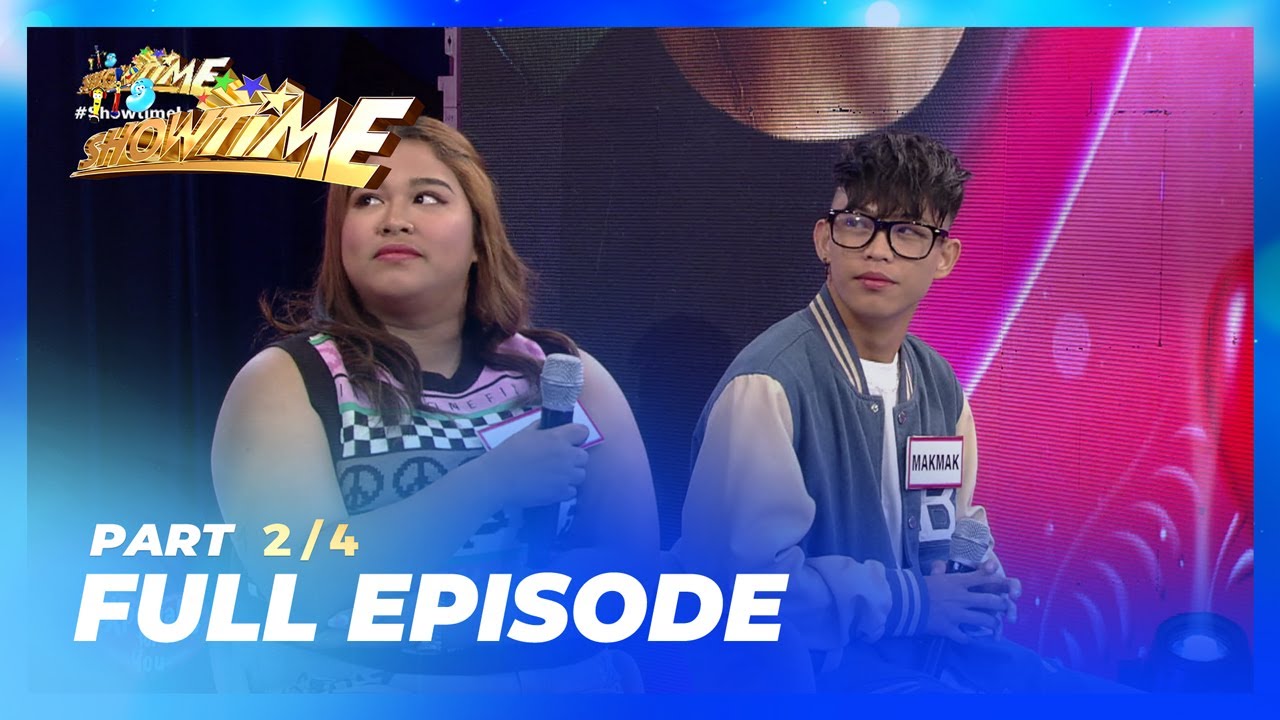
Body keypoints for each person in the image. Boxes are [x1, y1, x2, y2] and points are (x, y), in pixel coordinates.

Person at [211, 116, 658, 692]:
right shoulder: (287, 381)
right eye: (367, 200)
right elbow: (304, 583)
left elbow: (635, 576)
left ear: (478, 239)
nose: (394, 219)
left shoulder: (568, 374)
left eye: (426, 197)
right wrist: (489, 482)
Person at [675, 131, 1123, 692]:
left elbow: (955, 520)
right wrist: (914, 602)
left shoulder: (938, 385)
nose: (878, 250)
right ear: (824, 240)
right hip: (821, 680)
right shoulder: (769, 384)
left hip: (933, 659)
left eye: (908, 231)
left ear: (944, 258)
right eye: (857, 223)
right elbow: (738, 591)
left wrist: (976, 577)